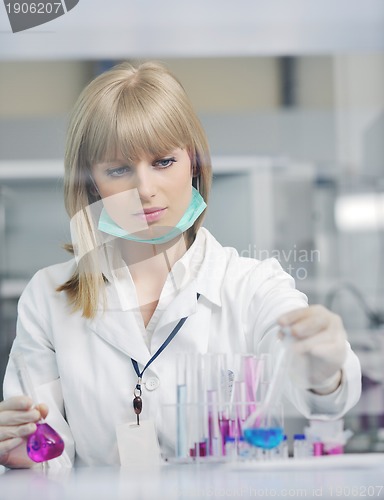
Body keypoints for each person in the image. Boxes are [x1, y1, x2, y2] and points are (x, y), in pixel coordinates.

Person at [0, 61, 361, 468]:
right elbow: (49, 453)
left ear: (193, 162)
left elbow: (322, 401)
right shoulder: (47, 298)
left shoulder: (254, 285)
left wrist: (324, 371)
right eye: (118, 169)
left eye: (163, 162)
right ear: (91, 182)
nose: (145, 189)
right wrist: (25, 456)